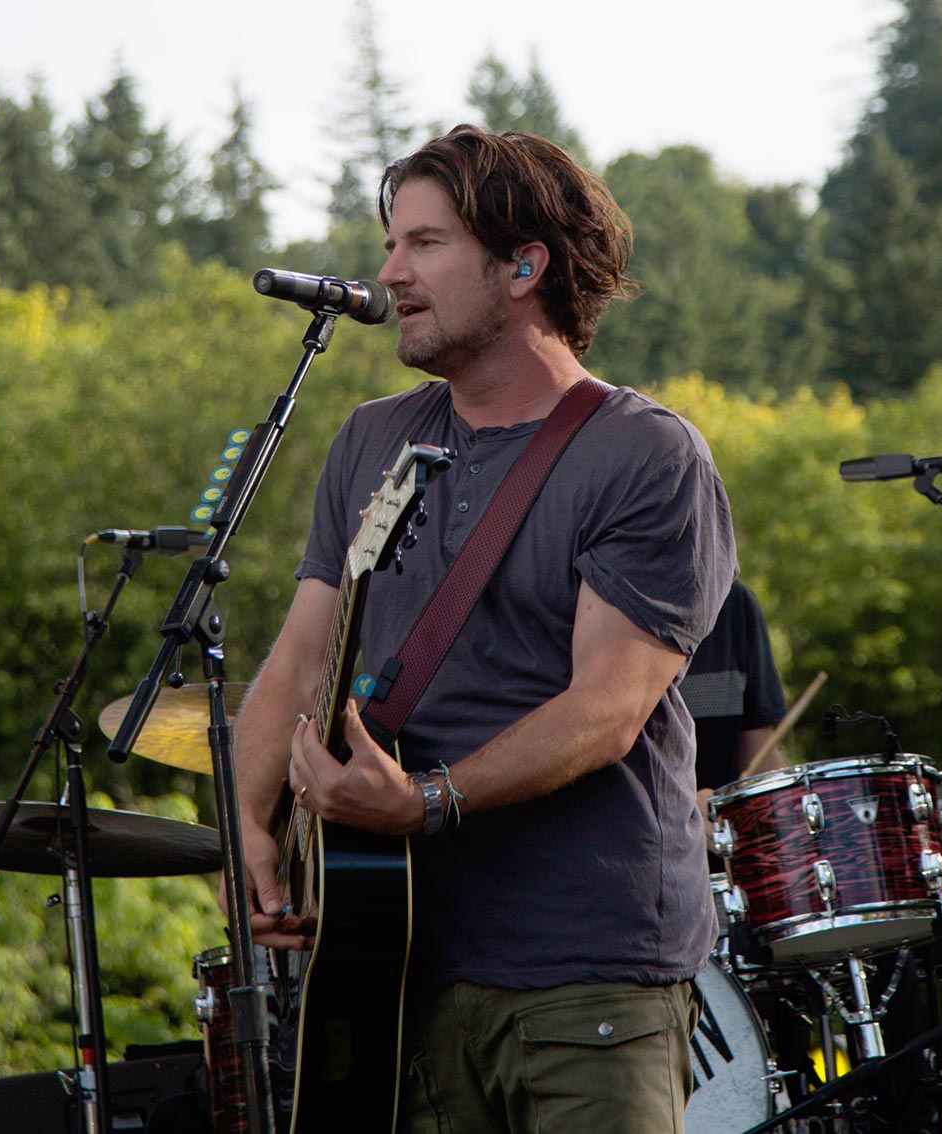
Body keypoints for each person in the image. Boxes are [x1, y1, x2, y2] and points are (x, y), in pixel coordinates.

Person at [227, 124, 736, 1133]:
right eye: (389, 244)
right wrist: (248, 828)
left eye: (424, 244)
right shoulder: (374, 435)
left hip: (587, 974)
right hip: (397, 974)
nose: (389, 273)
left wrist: (423, 801)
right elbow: (299, 657)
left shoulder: (643, 455)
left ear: (523, 265)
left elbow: (606, 710)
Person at [680, 577, 788, 833]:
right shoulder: (597, 598)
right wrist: (677, 810)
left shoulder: (734, 602)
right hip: (629, 855)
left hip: (724, 854)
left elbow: (758, 754)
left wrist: (794, 815)